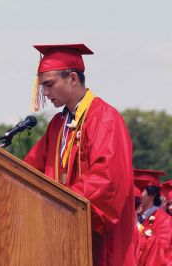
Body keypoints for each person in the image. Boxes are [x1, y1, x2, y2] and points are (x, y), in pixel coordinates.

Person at [24, 44, 135, 265]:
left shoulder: (104, 118)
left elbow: (108, 180)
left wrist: (62, 205)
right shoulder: (58, 125)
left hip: (99, 239)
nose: (45, 93)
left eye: (49, 84)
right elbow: (28, 172)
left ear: (73, 78)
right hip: (64, 234)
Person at [134, 168, 172, 265]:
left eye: (141, 189)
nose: (135, 193)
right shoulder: (132, 219)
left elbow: (161, 254)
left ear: (153, 194)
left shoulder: (165, 221)